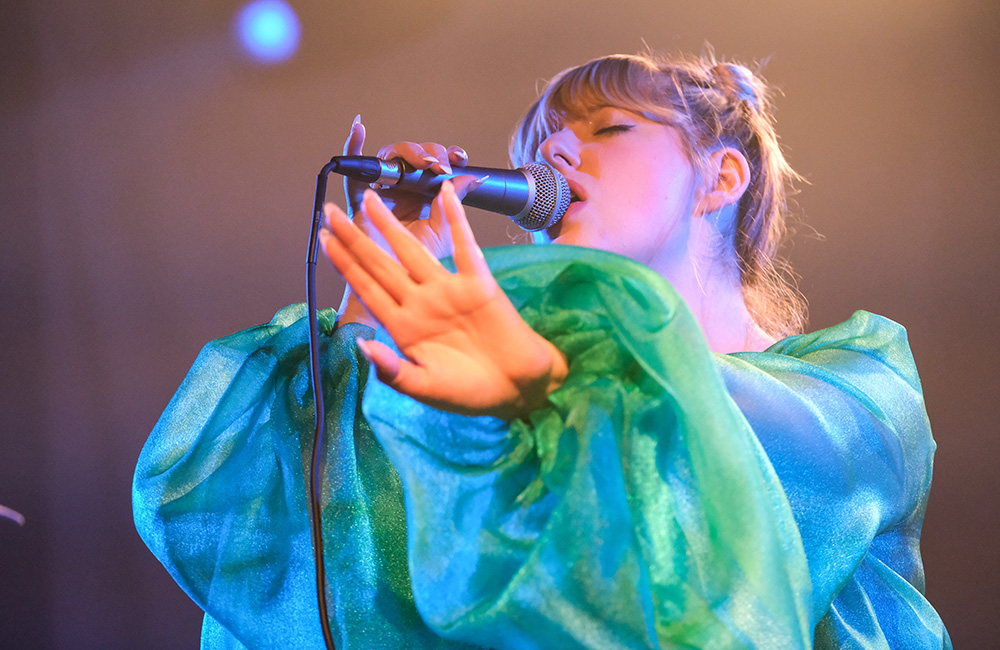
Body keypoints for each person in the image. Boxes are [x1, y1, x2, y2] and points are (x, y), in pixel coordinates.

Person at [133, 52, 952, 649]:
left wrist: (542, 380)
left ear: (721, 178)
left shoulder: (855, 393)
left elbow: (723, 464)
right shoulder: (519, 397)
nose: (554, 155)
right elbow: (336, 555)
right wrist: (386, 289)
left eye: (608, 129)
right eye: (545, 142)